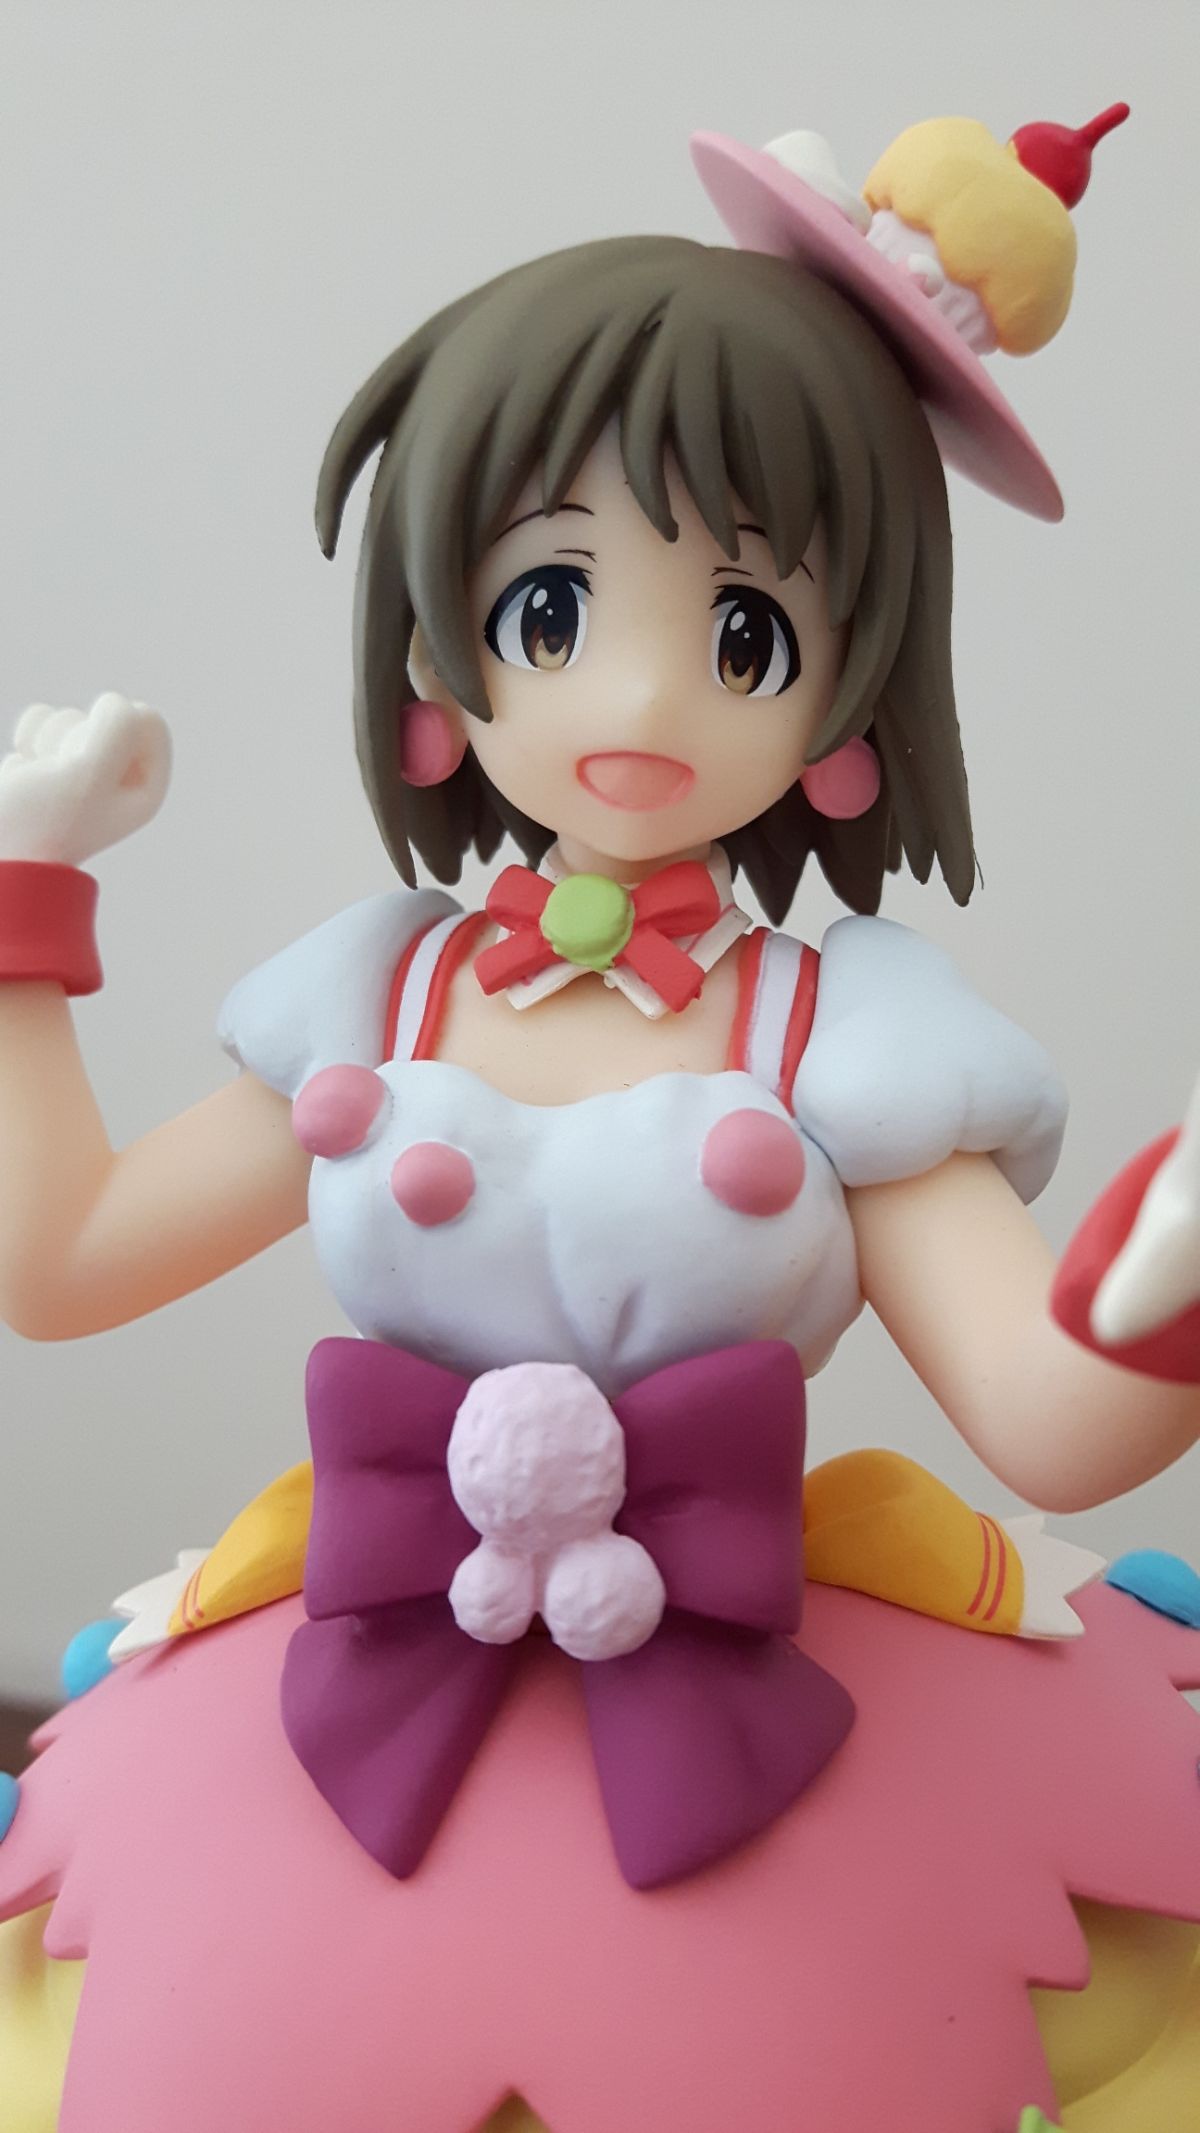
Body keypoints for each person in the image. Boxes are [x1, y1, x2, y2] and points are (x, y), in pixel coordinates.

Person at [0, 108, 1197, 2133]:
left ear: (845, 705)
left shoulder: (843, 1033)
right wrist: (27, 902)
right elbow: (59, 1260)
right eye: (553, 608)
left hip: (765, 1689)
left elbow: (1047, 1420)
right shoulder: (377, 991)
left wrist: (1156, 1291)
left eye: (744, 632)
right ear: (440, 649)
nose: (639, 696)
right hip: (371, 1658)